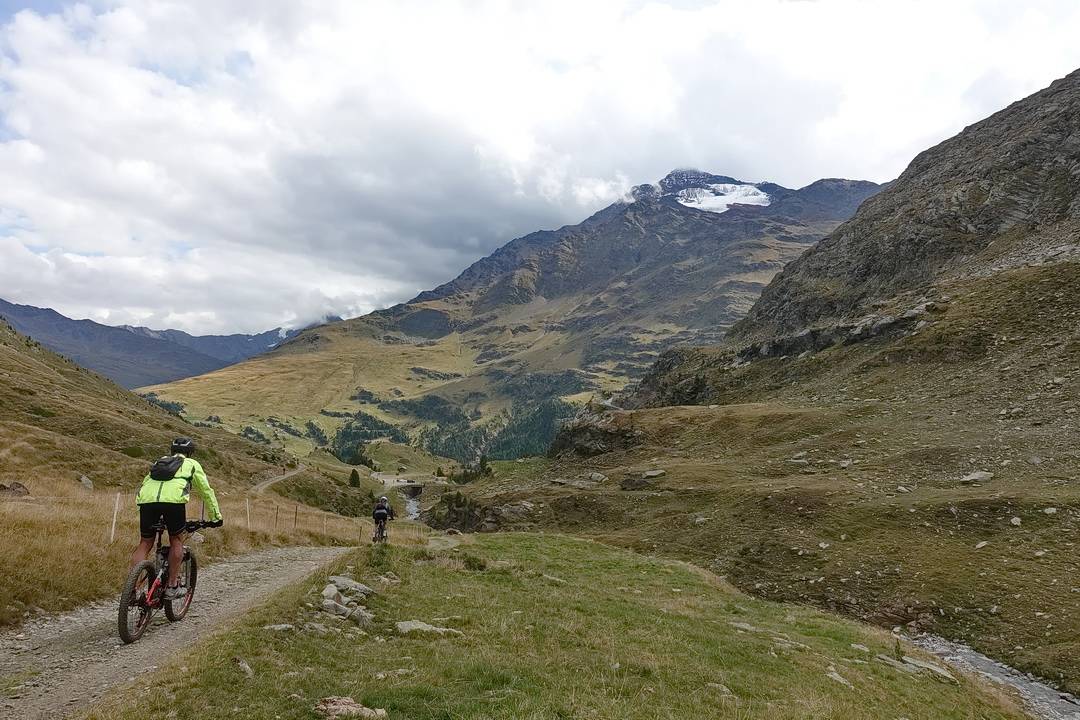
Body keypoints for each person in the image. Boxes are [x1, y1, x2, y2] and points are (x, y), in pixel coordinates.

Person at [131, 438, 222, 598]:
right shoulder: (192, 464)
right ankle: (172, 586)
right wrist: (216, 517)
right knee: (176, 540)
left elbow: (146, 482)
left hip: (147, 502)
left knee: (145, 543)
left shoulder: (160, 461)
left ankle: (132, 589)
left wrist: (141, 507)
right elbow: (206, 491)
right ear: (190, 453)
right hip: (173, 503)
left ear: (172, 451)